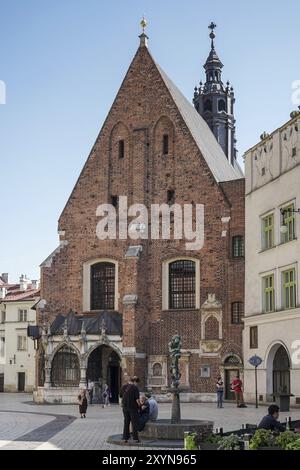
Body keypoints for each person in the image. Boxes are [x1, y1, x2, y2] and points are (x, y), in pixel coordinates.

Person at [120, 376, 141, 443]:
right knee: (134, 423)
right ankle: (135, 438)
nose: (137, 384)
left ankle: (125, 438)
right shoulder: (135, 388)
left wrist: (122, 404)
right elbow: (137, 400)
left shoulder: (123, 387)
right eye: (136, 382)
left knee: (126, 422)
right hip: (133, 408)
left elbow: (120, 397)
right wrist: (140, 405)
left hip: (125, 408)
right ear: (134, 381)